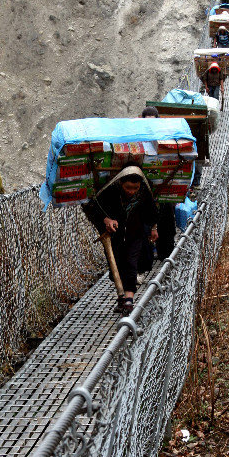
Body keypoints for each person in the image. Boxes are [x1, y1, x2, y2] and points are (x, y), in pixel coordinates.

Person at [84, 166, 158, 313]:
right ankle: (121, 298)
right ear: (120, 183)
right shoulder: (109, 192)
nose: (131, 191)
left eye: (135, 188)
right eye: (128, 187)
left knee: (131, 262)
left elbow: (152, 210)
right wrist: (106, 219)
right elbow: (91, 207)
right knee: (116, 266)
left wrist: (153, 227)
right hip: (113, 235)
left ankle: (129, 301)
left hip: (135, 233)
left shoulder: (145, 192)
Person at [140, 106, 176, 262]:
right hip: (144, 186)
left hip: (162, 185)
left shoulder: (165, 137)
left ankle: (165, 255)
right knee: (144, 222)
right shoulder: (138, 138)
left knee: (166, 220)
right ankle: (146, 258)